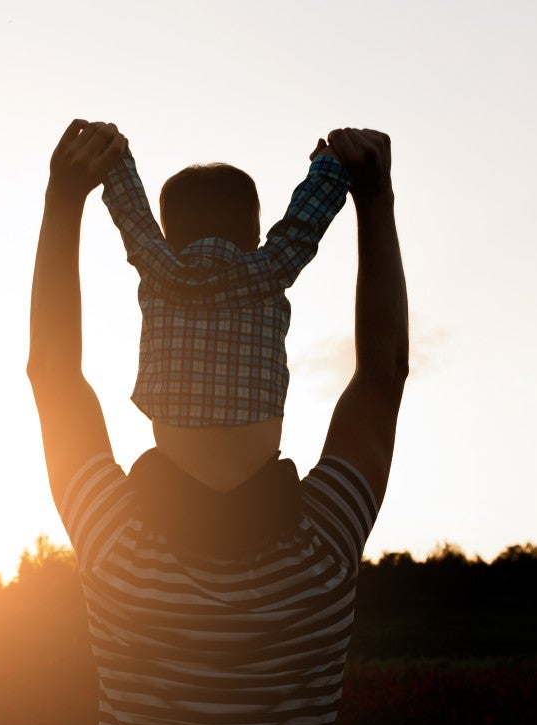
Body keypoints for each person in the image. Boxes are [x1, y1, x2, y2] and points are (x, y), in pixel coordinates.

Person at [27, 119, 409, 725]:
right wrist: (374, 204)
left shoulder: (114, 538)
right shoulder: (324, 540)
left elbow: (53, 372)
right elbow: (383, 373)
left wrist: (63, 204)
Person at [99, 137, 351, 491]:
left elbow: (133, 214)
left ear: (169, 238)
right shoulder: (270, 269)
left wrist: (114, 155)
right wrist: (329, 166)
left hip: (174, 482)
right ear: (255, 233)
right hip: (259, 482)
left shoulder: (159, 270)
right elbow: (303, 225)